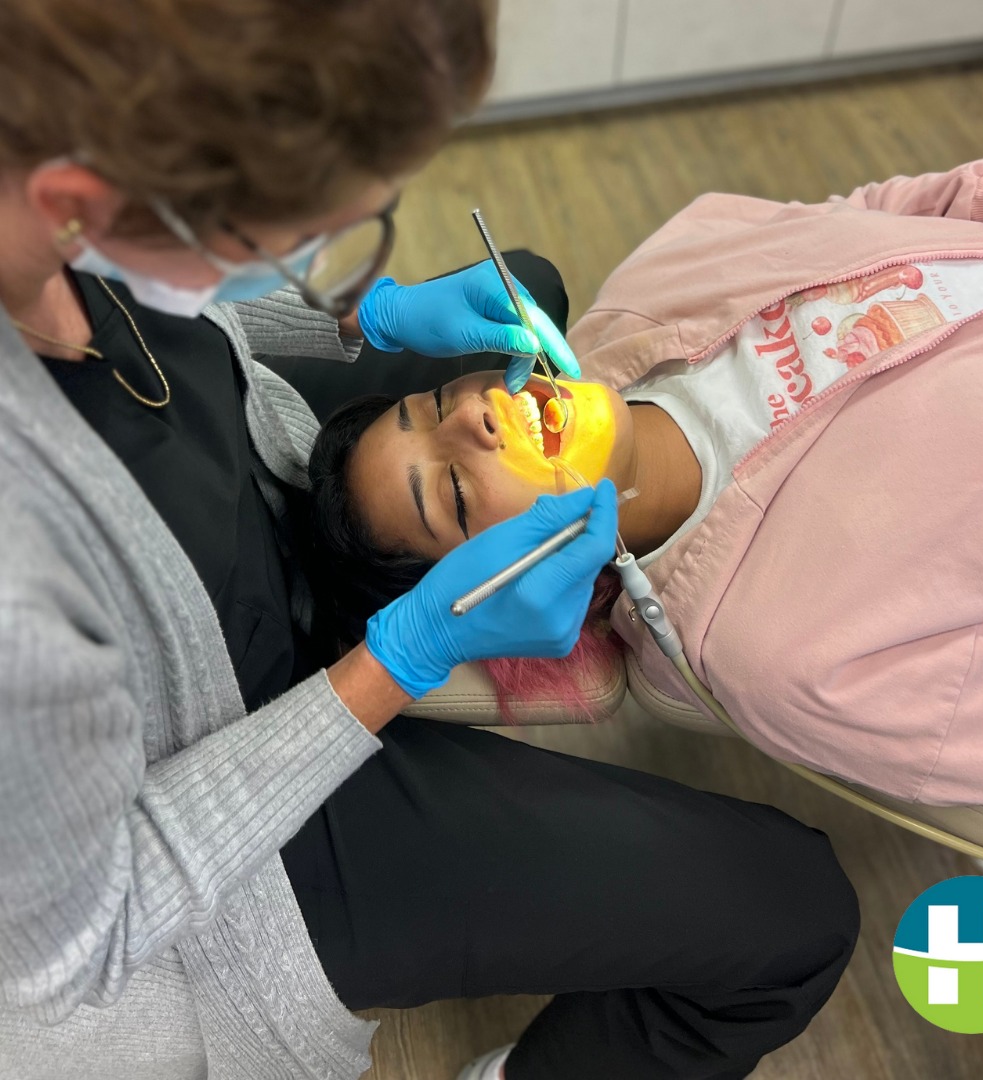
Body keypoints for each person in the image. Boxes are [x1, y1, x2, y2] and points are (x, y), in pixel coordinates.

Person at [0, 3, 860, 1080]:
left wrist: (371, 318)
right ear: (82, 201)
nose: (482, 407)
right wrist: (399, 657)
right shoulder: (17, 588)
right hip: (225, 847)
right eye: (286, 238)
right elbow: (87, 933)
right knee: (794, 911)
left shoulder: (53, 198)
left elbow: (186, 324)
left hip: (259, 543)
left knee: (530, 287)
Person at [313, 151, 983, 813]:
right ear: (504, 585)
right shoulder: (786, 652)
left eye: (440, 402)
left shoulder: (659, 277)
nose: (476, 418)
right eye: (452, 493)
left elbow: (887, 211)